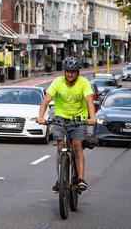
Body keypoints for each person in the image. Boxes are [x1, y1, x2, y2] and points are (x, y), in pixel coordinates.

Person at [37, 56, 96, 194]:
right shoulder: (57, 82)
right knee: (60, 147)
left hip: (79, 118)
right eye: (67, 71)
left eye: (73, 71)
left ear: (78, 72)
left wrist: (92, 118)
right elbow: (46, 101)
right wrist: (41, 117)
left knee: (77, 146)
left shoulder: (84, 83)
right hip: (60, 118)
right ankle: (61, 179)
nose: (70, 74)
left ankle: (80, 179)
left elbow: (89, 101)